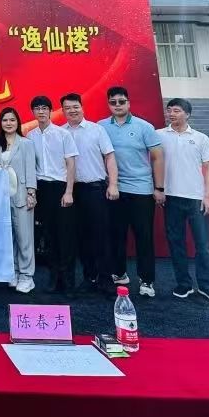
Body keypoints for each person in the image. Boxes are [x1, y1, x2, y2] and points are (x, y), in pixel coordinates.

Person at [100, 85, 165, 298]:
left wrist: (159, 188)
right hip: (114, 190)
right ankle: (119, 273)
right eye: (113, 102)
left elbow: (157, 157)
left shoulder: (144, 127)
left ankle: (147, 280)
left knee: (143, 236)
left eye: (121, 101)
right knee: (115, 235)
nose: (117, 105)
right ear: (108, 104)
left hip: (141, 190)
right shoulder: (101, 127)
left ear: (128, 103)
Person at [160, 98, 209, 302]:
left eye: (176, 111)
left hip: (196, 198)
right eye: (169, 110)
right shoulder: (159, 135)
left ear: (187, 114)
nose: (171, 114)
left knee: (203, 244)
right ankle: (183, 284)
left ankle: (206, 285)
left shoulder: (201, 138)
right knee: (176, 242)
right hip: (171, 197)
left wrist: (207, 195)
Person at [61, 92, 119, 297]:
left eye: (75, 106)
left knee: (101, 235)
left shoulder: (97, 130)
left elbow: (110, 158)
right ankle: (89, 277)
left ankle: (106, 279)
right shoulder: (61, 133)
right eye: (67, 108)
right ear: (63, 111)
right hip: (72, 191)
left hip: (95, 189)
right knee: (81, 237)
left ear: (82, 107)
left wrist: (113, 184)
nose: (72, 111)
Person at [28, 95, 78, 294]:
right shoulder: (30, 136)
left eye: (44, 108)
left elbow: (71, 164)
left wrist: (69, 191)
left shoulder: (63, 134)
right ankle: (53, 277)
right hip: (42, 189)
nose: (41, 112)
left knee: (65, 235)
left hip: (61, 188)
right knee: (48, 236)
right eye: (37, 108)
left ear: (50, 111)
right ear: (33, 112)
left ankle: (68, 281)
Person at [0, 106, 38, 293]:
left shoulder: (26, 143)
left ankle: (27, 276)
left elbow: (31, 170)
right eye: (5, 120)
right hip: (1, 198)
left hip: (21, 197)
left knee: (24, 238)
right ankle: (13, 272)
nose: (9, 123)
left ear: (18, 122)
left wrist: (31, 193)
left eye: (12, 120)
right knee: (8, 238)